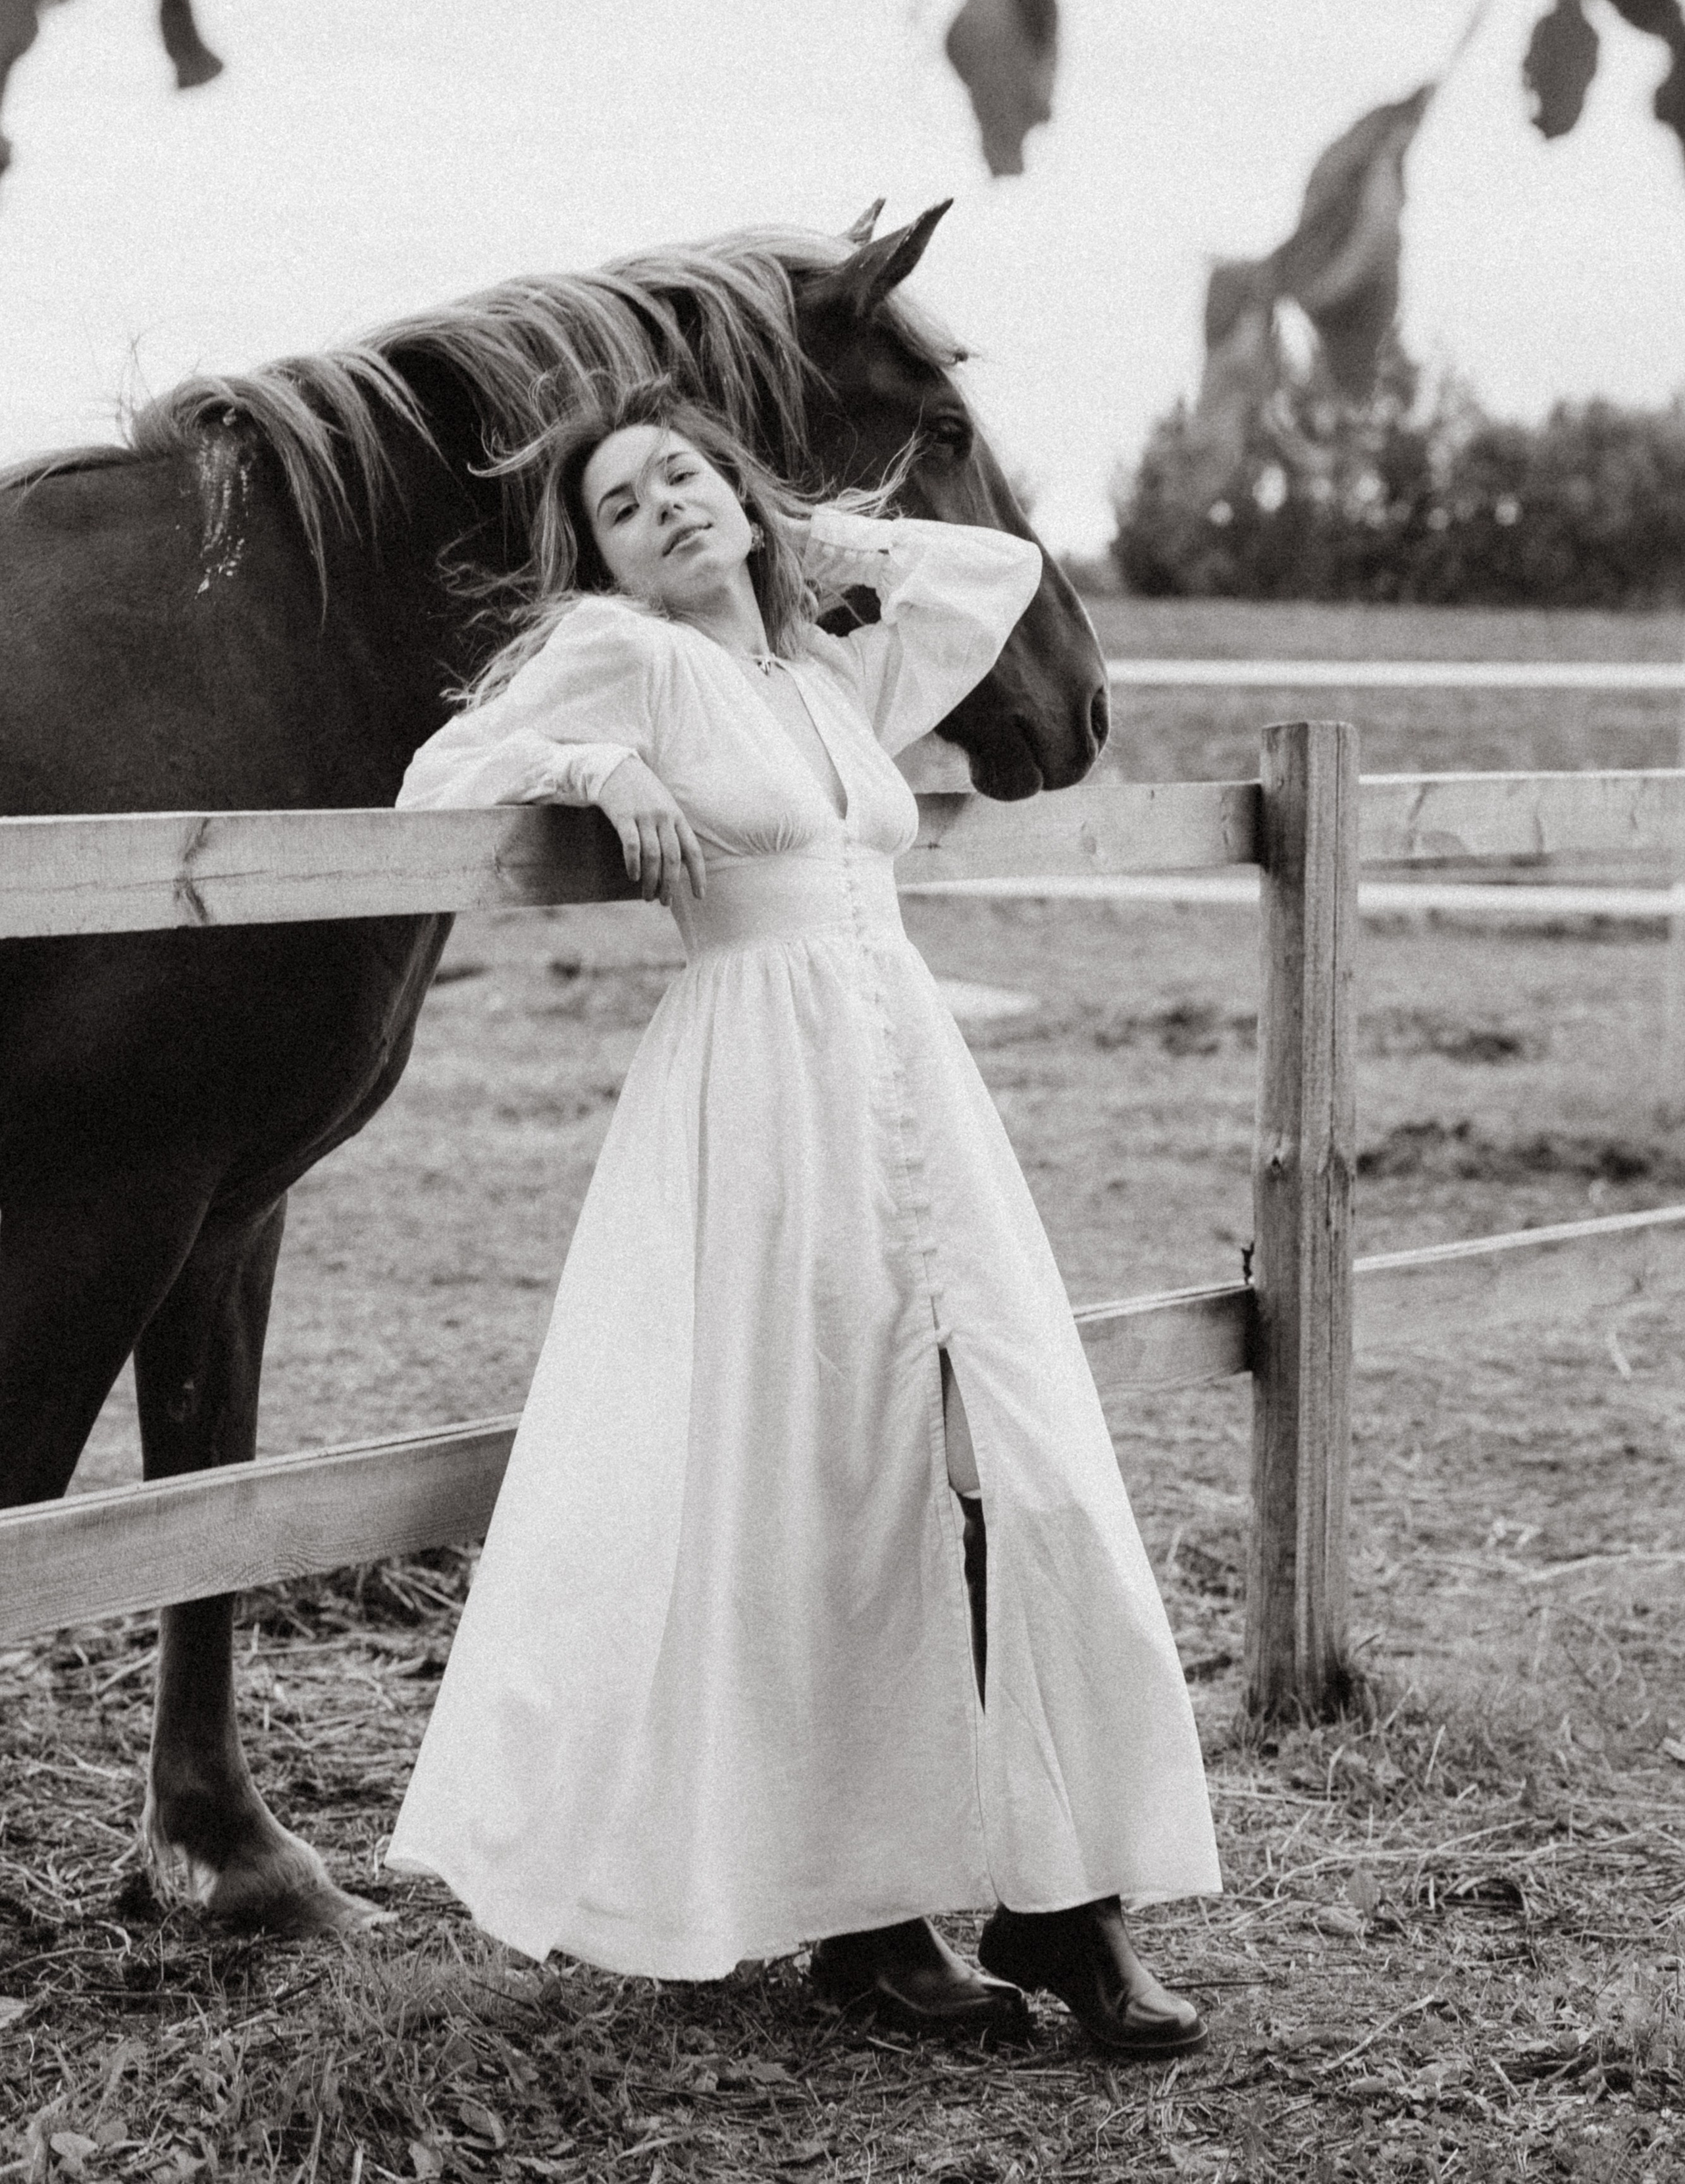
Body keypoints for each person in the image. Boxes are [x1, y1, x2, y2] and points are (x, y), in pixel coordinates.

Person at [384, 380, 1222, 2052]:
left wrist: (799, 536)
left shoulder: (827, 674)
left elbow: (980, 575)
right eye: (627, 505)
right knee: (825, 1492)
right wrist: (592, 757)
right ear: (600, 560)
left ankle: (1068, 1908)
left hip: (908, 1083)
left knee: (1020, 1466)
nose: (667, 510)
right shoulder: (631, 658)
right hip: (755, 1096)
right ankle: (870, 1924)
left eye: (686, 477)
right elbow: (433, 779)